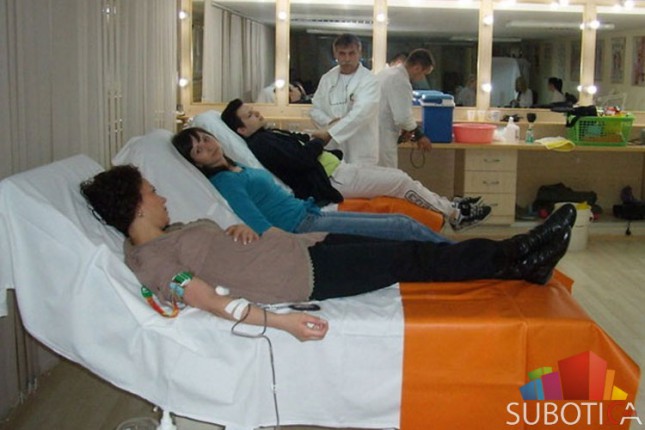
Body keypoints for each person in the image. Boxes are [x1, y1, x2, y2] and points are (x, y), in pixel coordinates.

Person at [80, 165, 576, 341]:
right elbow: (209, 299)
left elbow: (212, 253)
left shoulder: (170, 232)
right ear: (135, 205)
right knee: (414, 260)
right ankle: (519, 254)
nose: (162, 197)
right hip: (302, 275)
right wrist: (283, 323)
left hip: (303, 247)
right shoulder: (151, 261)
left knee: (405, 243)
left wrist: (234, 230)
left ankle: (520, 263)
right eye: (152, 192)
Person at [219, 100, 491, 231]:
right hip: (333, 180)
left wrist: (314, 139)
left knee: (400, 178)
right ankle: (454, 214)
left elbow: (299, 148)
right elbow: (301, 160)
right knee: (401, 181)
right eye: (249, 115)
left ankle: (449, 206)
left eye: (253, 110)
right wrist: (320, 140)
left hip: (339, 170)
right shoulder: (262, 143)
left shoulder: (269, 134)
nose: (256, 113)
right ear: (241, 130)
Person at [171, 127, 450, 243]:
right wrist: (298, 246)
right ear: (196, 163)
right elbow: (260, 226)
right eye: (198, 150)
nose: (207, 146)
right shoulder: (226, 182)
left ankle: (450, 251)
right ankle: (453, 253)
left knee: (402, 223)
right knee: (402, 225)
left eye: (205, 139)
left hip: (309, 213)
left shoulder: (238, 167)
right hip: (302, 225)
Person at [309, 33, 380, 166]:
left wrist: (331, 132)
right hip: (333, 149)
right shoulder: (327, 79)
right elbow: (315, 110)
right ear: (335, 54)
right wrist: (330, 122)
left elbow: (361, 114)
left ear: (359, 53)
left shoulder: (369, 80)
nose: (347, 59)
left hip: (360, 151)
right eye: (342, 53)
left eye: (351, 53)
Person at [376, 48, 434, 168]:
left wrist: (405, 131)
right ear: (417, 68)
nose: (422, 78)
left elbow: (392, 110)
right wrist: (420, 136)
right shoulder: (401, 81)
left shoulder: (387, 73)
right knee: (386, 175)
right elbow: (402, 118)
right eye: (424, 74)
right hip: (382, 138)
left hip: (373, 135)